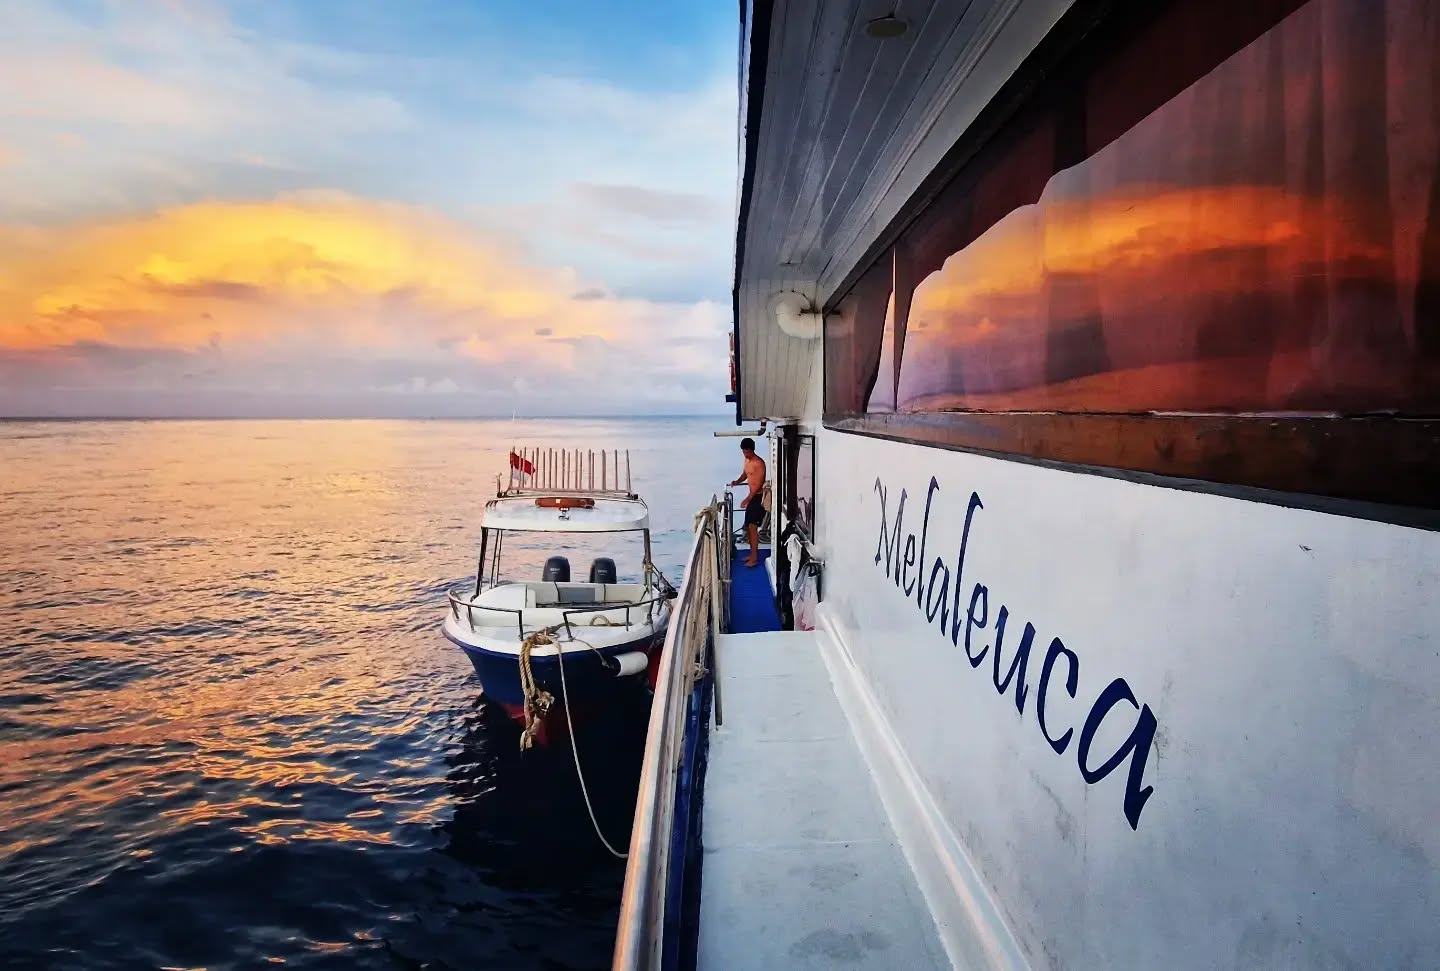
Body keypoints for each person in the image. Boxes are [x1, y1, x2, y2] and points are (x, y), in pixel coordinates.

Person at [729, 437, 767, 567]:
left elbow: (758, 484)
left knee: (752, 527)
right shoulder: (747, 461)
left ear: (752, 450)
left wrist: (747, 499)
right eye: (744, 452)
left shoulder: (759, 463)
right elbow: (745, 474)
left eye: (747, 452)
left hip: (758, 497)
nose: (745, 454)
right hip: (752, 497)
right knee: (748, 528)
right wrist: (737, 481)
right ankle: (752, 554)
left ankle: (754, 558)